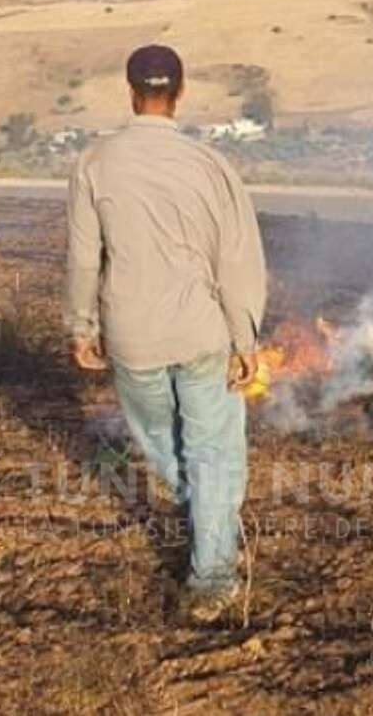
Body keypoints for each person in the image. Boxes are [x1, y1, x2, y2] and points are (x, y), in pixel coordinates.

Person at [66, 45, 267, 623]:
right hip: (203, 332)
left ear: (130, 90)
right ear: (179, 93)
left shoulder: (94, 163)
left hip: (132, 337)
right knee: (212, 450)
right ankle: (214, 573)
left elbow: (83, 258)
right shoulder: (212, 166)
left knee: (163, 443)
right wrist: (244, 339)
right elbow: (237, 261)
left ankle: (209, 529)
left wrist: (82, 326)